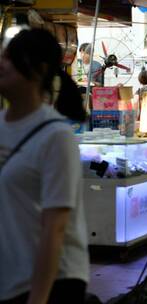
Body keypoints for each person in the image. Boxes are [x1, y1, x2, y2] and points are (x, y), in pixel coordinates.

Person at [0, 28, 89, 304]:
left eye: (10, 58)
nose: (1, 63)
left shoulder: (56, 136)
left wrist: (38, 299)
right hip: (10, 278)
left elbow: (55, 227)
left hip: (53, 283)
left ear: (38, 70)